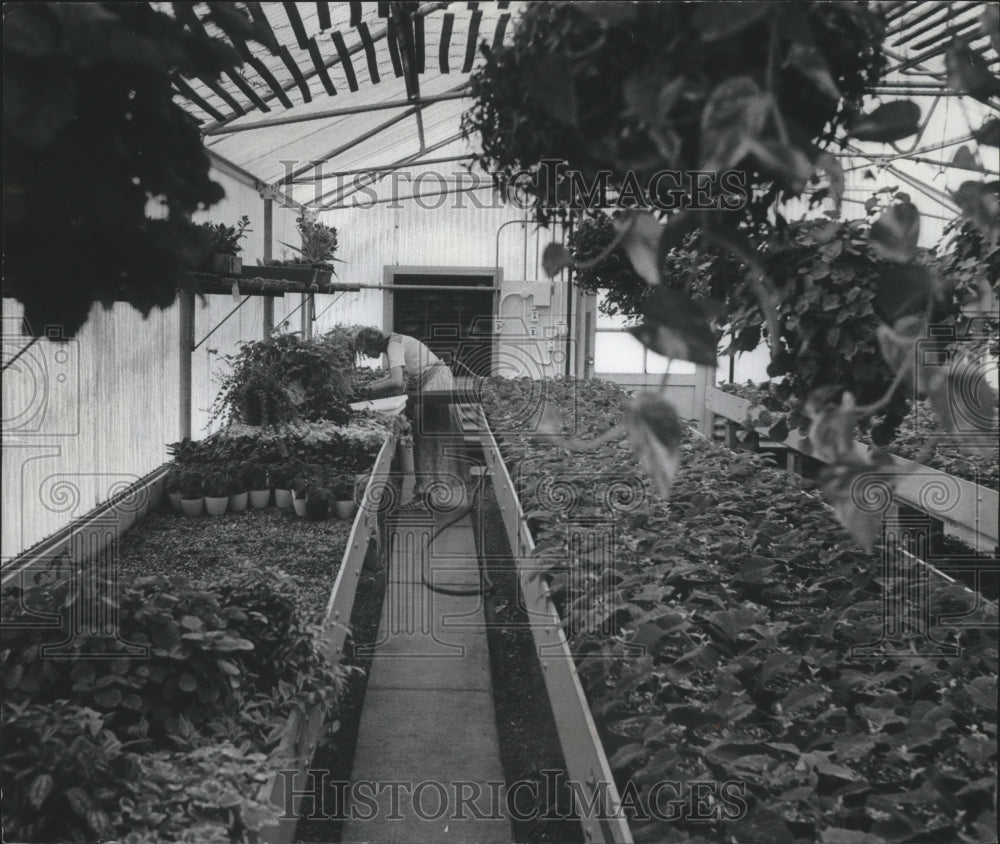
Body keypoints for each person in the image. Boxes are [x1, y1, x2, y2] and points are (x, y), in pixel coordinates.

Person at [355, 327, 460, 507]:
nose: (366, 355)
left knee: (429, 438)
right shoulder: (395, 341)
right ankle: (428, 492)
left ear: (374, 344)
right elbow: (395, 377)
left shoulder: (393, 346)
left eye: (366, 351)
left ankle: (427, 493)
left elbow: (396, 381)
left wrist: (365, 390)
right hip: (433, 379)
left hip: (434, 383)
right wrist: (371, 384)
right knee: (428, 437)